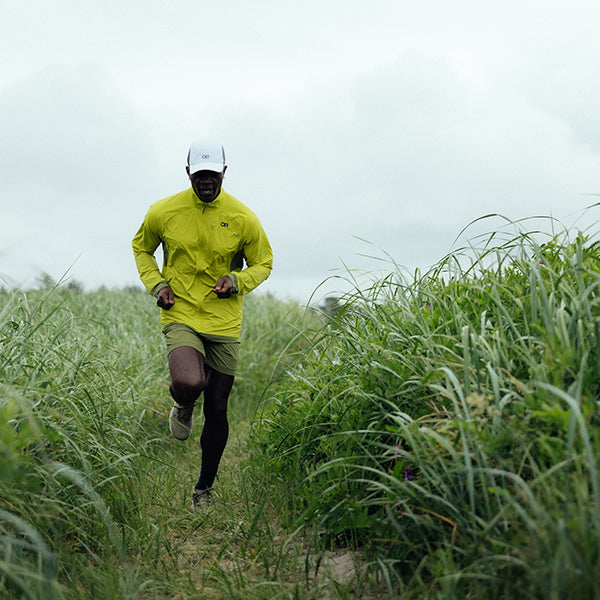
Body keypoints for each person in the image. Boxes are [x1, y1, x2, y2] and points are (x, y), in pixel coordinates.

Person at [132, 139, 273, 511]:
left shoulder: (243, 217)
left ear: (224, 172)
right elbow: (141, 248)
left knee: (219, 407)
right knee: (189, 382)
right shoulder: (164, 211)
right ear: (188, 173)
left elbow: (264, 262)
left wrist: (238, 280)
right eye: (199, 175)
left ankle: (203, 489)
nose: (206, 181)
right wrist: (157, 284)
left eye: (212, 174)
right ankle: (182, 403)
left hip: (224, 319)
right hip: (179, 309)